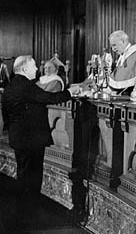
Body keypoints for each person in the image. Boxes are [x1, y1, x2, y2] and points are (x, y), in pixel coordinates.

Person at [2, 55, 80, 224]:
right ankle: (29, 217)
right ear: (24, 69)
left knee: (23, 175)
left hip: (19, 138)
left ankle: (22, 214)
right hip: (32, 140)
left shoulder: (11, 86)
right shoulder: (26, 86)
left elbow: (6, 114)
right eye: (34, 66)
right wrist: (70, 92)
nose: (37, 69)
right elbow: (49, 98)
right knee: (33, 178)